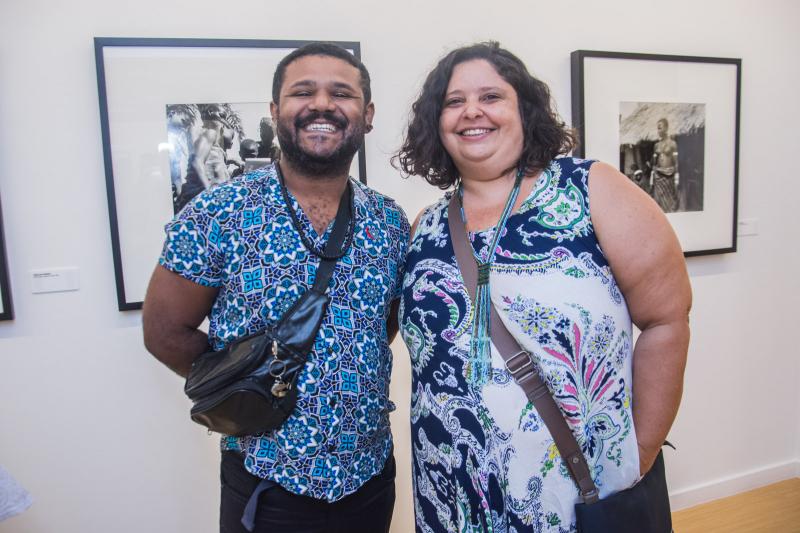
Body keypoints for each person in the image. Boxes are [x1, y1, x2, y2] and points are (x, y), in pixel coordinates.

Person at [394, 42, 691, 532]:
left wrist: (639, 454)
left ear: (524, 110)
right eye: (453, 101)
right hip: (451, 493)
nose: (472, 111)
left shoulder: (589, 190)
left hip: (575, 494)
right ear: (436, 122)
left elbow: (667, 320)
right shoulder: (424, 226)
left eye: (491, 96)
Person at [142, 43, 410, 533]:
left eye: (341, 93)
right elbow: (164, 331)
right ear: (275, 111)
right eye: (303, 92)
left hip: (369, 474)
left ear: (367, 115)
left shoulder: (390, 221)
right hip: (266, 478)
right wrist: (244, 382)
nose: (322, 104)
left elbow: (381, 325)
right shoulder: (217, 212)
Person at [650, 117, 680, 212]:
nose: (658, 131)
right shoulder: (656, 145)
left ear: (666, 128)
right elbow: (654, 163)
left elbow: (676, 162)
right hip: (658, 177)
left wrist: (676, 179)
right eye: (657, 128)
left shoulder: (672, 144)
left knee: (669, 203)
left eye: (660, 128)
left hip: (669, 176)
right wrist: (653, 176)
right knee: (658, 203)